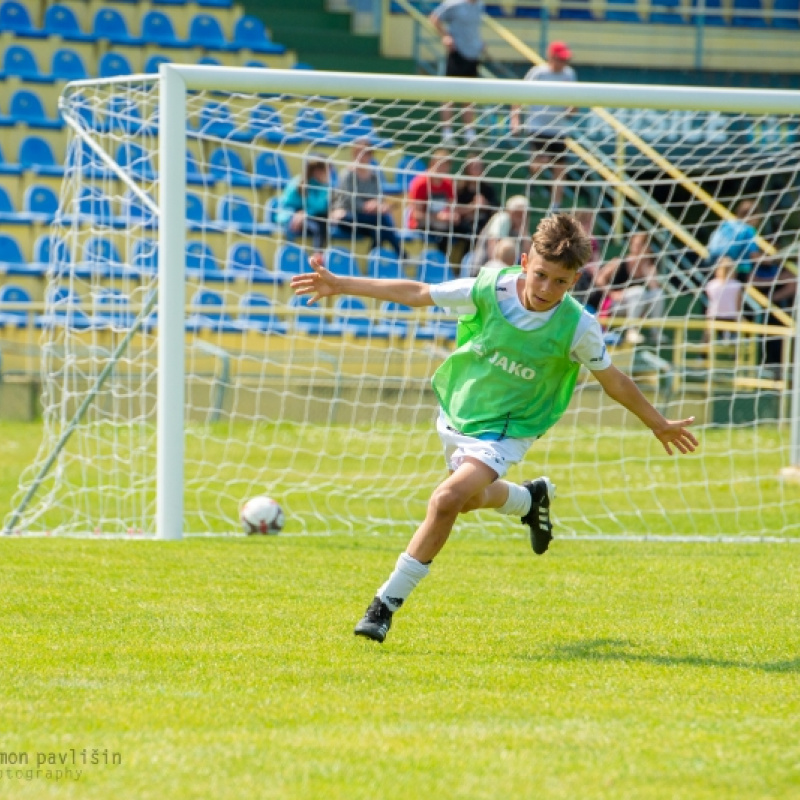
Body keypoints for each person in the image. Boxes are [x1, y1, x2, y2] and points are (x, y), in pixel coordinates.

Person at [290, 213, 698, 644]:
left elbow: (613, 377)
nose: (545, 289)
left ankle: (383, 606)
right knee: (466, 502)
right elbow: (418, 293)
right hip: (463, 411)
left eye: (560, 282)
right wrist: (342, 284)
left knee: (446, 499)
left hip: (511, 427)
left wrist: (658, 423)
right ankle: (528, 499)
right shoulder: (488, 288)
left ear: (575, 280)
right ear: (524, 262)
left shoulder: (578, 326)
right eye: (540, 275)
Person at [510, 41, 577, 212]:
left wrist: (571, 108)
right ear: (551, 57)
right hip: (538, 127)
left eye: (565, 60)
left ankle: (555, 206)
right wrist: (515, 119)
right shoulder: (537, 74)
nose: (563, 63)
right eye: (560, 59)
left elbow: (574, 104)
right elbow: (518, 95)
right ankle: (532, 181)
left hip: (558, 129)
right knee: (539, 161)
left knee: (560, 169)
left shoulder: (569, 75)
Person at [330, 139, 404, 256]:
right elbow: (347, 199)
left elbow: (379, 197)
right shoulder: (347, 174)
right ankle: (399, 253)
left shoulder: (374, 176)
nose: (362, 156)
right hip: (347, 217)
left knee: (379, 228)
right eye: (358, 152)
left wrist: (377, 206)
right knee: (382, 222)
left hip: (370, 218)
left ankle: (374, 257)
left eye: (365, 153)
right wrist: (365, 206)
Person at [589, 232, 664, 343]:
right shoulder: (619, 262)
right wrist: (612, 293)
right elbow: (599, 279)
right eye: (635, 245)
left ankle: (655, 332)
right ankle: (631, 331)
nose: (637, 248)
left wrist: (648, 271)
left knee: (658, 294)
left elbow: (655, 290)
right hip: (613, 305)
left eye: (641, 245)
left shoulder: (648, 267)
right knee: (639, 291)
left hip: (635, 306)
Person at [430, 0, 485, 143]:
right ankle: (447, 132)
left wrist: (479, 43)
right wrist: (445, 36)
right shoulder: (453, 4)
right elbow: (434, 18)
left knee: (469, 96)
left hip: (473, 56)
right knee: (449, 95)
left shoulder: (480, 5)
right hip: (457, 54)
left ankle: (469, 133)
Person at [406, 147, 460, 254]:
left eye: (446, 165)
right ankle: (440, 263)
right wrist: (437, 217)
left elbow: (452, 208)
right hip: (422, 222)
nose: (443, 168)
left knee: (465, 229)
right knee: (443, 230)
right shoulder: (420, 183)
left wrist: (453, 215)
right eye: (441, 164)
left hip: (442, 222)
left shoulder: (448, 183)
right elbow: (416, 214)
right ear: (432, 163)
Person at [276, 155, 330, 249]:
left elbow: (321, 206)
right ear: (317, 171)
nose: (328, 174)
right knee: (316, 227)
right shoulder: (297, 183)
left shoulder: (322, 186)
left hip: (309, 216)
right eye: (326, 171)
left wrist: (306, 213)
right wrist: (294, 215)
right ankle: (291, 251)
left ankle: (318, 256)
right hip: (291, 216)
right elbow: (285, 205)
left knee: (323, 222)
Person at [471, 194, 531, 269]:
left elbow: (528, 254)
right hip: (485, 266)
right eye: (518, 213)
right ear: (510, 212)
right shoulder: (503, 219)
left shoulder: (521, 228)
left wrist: (524, 232)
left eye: (524, 214)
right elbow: (492, 245)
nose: (521, 217)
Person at [455, 154, 499, 244]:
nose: (478, 170)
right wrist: (472, 207)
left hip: (484, 223)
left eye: (479, 167)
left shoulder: (487, 188)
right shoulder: (459, 189)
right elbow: (454, 209)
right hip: (464, 225)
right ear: (467, 169)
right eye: (474, 167)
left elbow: (496, 209)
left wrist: (485, 205)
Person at [705, 256, 743, 342]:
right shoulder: (736, 285)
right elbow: (738, 304)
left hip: (714, 316)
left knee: (708, 333)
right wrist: (739, 317)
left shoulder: (711, 284)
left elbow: (711, 301)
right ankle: (734, 353)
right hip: (731, 317)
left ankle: (702, 354)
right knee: (737, 336)